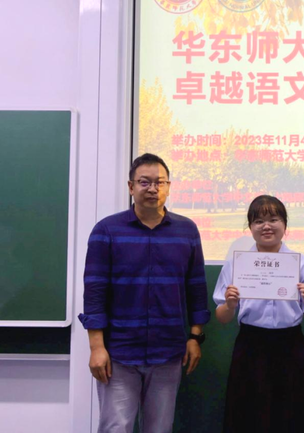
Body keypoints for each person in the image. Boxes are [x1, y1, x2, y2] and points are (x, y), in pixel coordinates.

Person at [78, 153, 210, 433]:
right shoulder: (107, 230)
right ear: (131, 186)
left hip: (168, 352)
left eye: (159, 182)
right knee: (116, 427)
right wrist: (96, 347)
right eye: (144, 182)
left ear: (168, 186)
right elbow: (95, 292)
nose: (153, 189)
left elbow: (196, 287)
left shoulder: (186, 231)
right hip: (119, 354)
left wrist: (195, 336)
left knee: (159, 429)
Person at [214, 195, 304, 433]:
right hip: (250, 345)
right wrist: (230, 305)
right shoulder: (235, 264)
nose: (266, 226)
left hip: (290, 345)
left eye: (273, 219)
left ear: (284, 224)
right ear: (250, 227)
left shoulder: (303, 263)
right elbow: (222, 317)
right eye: (258, 221)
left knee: (292, 416)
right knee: (247, 416)